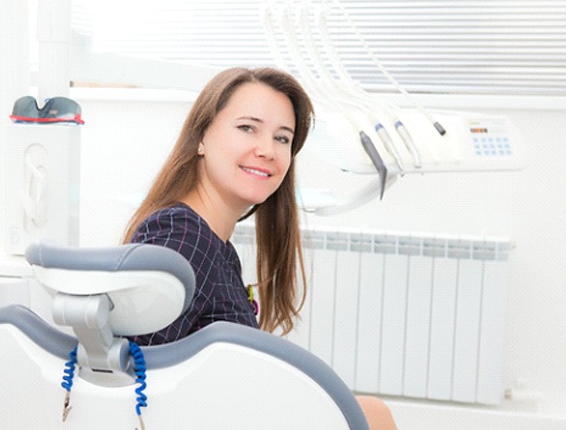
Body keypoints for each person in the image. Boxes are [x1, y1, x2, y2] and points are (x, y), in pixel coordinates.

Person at [123, 67, 397, 429]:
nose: (267, 150)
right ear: (201, 137)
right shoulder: (181, 235)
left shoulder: (215, 246)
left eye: (282, 138)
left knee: (370, 412)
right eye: (247, 128)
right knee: (372, 415)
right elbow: (136, 381)